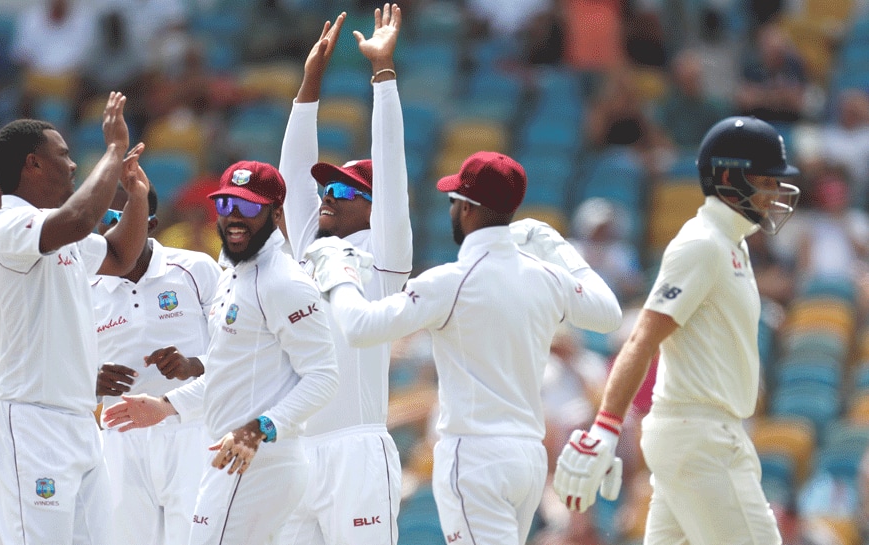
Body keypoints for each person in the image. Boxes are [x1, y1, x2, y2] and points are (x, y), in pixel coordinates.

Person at [305, 150, 623, 545]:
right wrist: (554, 244)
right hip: (528, 458)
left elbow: (360, 327)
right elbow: (608, 313)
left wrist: (340, 275)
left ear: (468, 208)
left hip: (475, 459)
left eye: (455, 201)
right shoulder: (547, 277)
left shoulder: (449, 281)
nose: (452, 209)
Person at [553, 116, 802, 544]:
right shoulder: (702, 244)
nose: (774, 193)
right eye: (765, 180)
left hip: (702, 436)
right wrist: (606, 428)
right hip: (702, 442)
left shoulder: (732, 244)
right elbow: (642, 338)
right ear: (727, 177)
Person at [102, 160, 339, 545]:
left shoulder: (284, 283)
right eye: (226, 205)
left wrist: (258, 429)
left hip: (259, 462)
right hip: (230, 458)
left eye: (247, 207)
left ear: (277, 213)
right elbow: (229, 369)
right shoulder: (232, 274)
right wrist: (167, 405)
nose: (234, 218)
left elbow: (324, 376)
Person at [0, 91, 150, 545]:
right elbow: (79, 220)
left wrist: (137, 197)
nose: (72, 166)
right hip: (29, 423)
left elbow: (121, 255)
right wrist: (110, 151)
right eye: (64, 156)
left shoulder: (61, 233)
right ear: (32, 165)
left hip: (79, 422)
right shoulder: (5, 227)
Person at [277, 5, 413, 544]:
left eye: (342, 191)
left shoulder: (384, 261)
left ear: (374, 207)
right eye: (325, 190)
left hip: (357, 450)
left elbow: (394, 165)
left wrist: (383, 75)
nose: (327, 198)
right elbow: (292, 173)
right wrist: (309, 84)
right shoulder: (311, 249)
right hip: (297, 449)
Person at [91, 184, 222, 545]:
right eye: (105, 219)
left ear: (151, 223)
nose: (112, 230)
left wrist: (192, 365)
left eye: (122, 218)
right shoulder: (85, 287)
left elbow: (241, 354)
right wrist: (92, 381)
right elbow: (58, 372)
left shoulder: (196, 269)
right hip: (120, 437)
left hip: (191, 428)